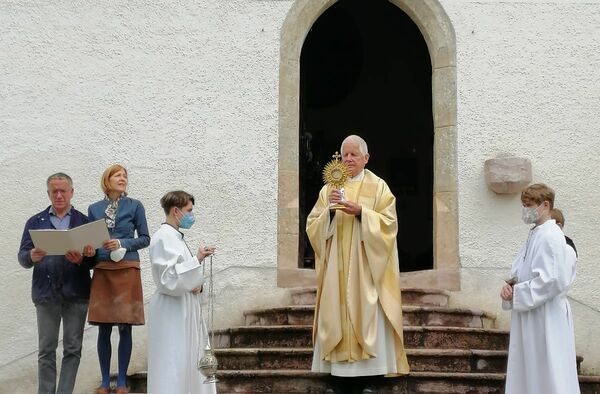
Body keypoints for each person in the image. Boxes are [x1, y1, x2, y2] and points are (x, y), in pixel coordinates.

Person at [306, 135, 409, 394]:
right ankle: (338, 379)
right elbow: (312, 225)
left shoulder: (379, 187)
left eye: (354, 154)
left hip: (365, 266)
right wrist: (329, 211)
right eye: (345, 154)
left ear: (366, 158)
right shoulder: (329, 188)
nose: (348, 159)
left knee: (367, 314)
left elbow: (389, 223)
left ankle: (368, 380)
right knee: (336, 314)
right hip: (336, 270)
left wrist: (362, 212)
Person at [18, 172, 96, 394]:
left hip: (77, 293)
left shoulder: (84, 221)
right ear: (48, 193)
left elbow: (93, 261)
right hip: (46, 295)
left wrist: (84, 258)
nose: (59, 195)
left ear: (72, 192)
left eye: (63, 190)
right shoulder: (35, 222)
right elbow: (22, 257)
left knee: (73, 349)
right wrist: (31, 256)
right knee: (46, 350)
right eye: (55, 191)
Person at [500, 184, 580, 394]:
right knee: (531, 370)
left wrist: (519, 292)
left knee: (548, 369)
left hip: (545, 315)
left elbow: (551, 281)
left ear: (545, 205)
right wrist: (509, 287)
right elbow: (519, 269)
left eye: (529, 205)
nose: (525, 210)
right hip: (532, 313)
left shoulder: (551, 236)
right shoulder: (536, 233)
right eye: (523, 205)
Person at [87, 164, 150, 394]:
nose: (122, 178)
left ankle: (122, 382)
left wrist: (123, 243)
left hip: (127, 268)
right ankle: (105, 382)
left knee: (126, 326)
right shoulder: (94, 209)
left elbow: (145, 238)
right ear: (107, 180)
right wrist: (90, 250)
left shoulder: (135, 206)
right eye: (117, 175)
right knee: (103, 326)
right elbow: (91, 241)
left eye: (125, 175)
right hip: (103, 268)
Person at [147, 190, 217, 394]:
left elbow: (186, 276)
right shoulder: (162, 238)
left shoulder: (176, 238)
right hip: (172, 311)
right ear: (176, 211)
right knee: (173, 362)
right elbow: (167, 279)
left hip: (185, 308)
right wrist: (197, 260)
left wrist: (199, 282)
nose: (191, 215)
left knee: (187, 361)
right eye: (189, 210)